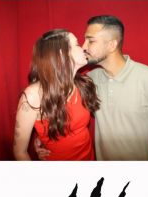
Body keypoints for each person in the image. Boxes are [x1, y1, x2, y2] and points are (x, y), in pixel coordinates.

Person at [36, 16, 148, 160]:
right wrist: (41, 137)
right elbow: (60, 110)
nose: (84, 47)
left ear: (111, 45)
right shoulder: (89, 80)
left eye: (91, 41)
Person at [13, 30, 100, 161]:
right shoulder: (32, 96)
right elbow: (20, 152)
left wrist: (40, 137)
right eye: (77, 44)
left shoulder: (83, 84)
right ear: (61, 53)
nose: (83, 48)